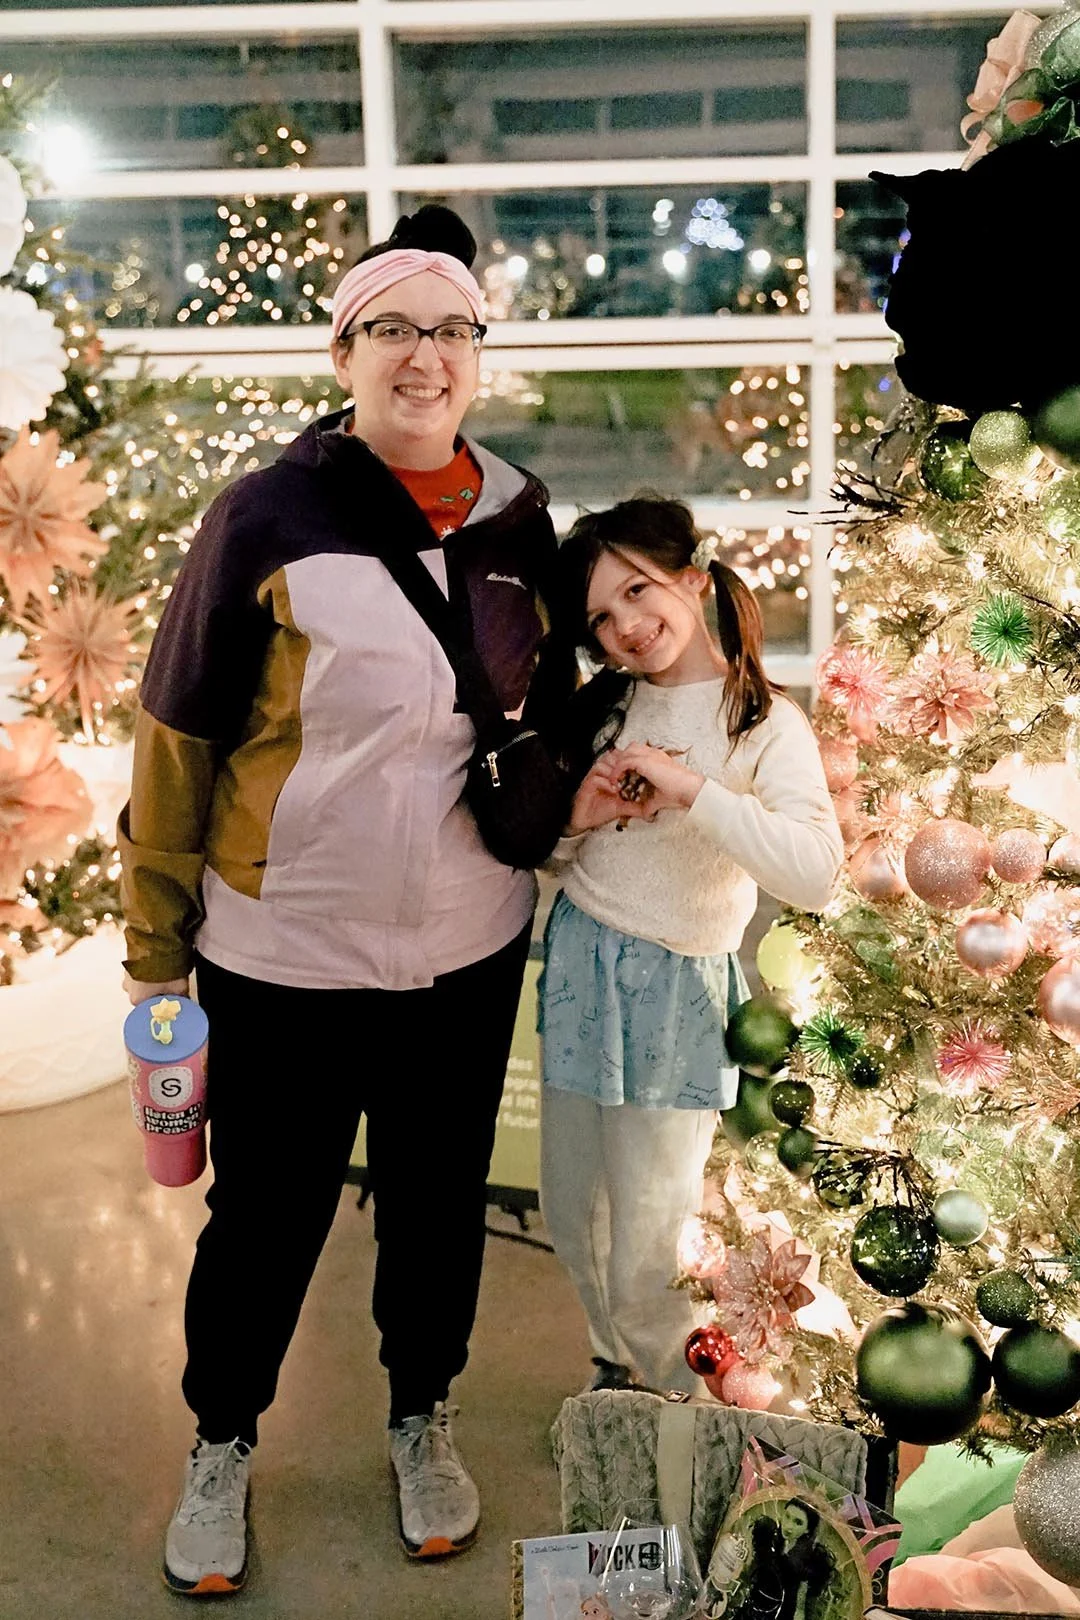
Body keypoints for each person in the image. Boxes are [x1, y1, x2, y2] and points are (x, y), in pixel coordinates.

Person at [118, 204, 565, 1594]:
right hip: (284, 951)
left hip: (465, 941)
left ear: (478, 354)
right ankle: (222, 1435)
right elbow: (177, 736)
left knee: (435, 1210)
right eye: (392, 330)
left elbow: (540, 702)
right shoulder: (264, 514)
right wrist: (155, 955)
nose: (422, 357)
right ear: (345, 351)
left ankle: (420, 1417)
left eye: (448, 330)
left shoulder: (519, 513)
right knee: (266, 1219)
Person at [538, 497, 842, 1395]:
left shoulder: (764, 723)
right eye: (601, 615)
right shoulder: (605, 709)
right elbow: (551, 857)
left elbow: (817, 873)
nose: (627, 625)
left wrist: (691, 789)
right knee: (571, 1207)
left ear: (694, 579)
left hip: (676, 990)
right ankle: (616, 1366)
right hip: (580, 967)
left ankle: (683, 1396)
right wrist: (576, 821)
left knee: (652, 1227)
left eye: (638, 590)